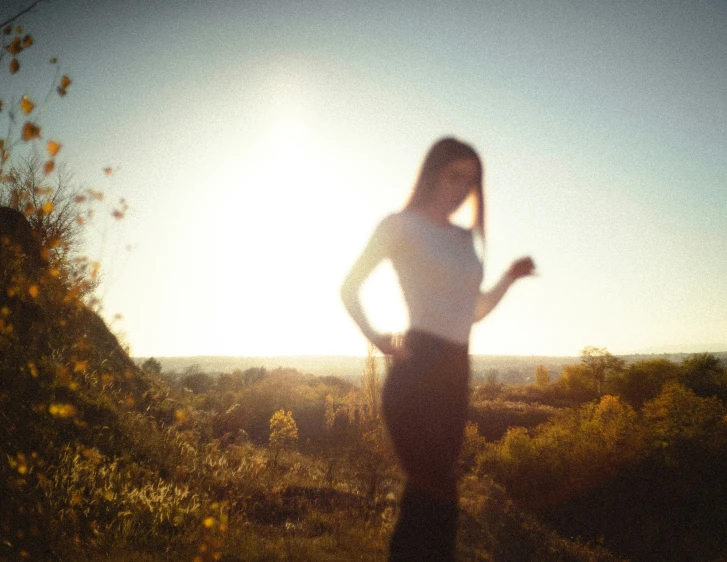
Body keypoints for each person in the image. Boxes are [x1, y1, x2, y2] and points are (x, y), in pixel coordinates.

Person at [340, 137, 535, 561]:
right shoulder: (398, 226)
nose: (464, 188)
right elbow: (349, 287)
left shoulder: (466, 240)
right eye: (456, 175)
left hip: (455, 377)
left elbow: (474, 310)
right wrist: (376, 338)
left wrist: (509, 277)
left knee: (427, 502)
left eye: (473, 181)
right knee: (439, 501)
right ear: (432, 173)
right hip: (416, 371)